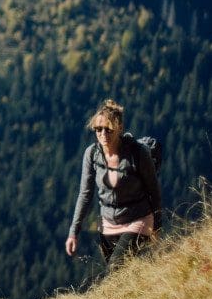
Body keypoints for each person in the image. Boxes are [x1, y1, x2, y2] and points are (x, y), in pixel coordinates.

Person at [66, 99, 162, 268]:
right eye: (98, 129)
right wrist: (74, 232)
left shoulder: (138, 153)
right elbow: (85, 194)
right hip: (108, 225)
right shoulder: (92, 154)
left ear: (120, 128)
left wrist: (157, 226)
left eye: (108, 129)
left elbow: (153, 190)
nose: (103, 134)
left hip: (138, 219)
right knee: (119, 276)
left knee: (115, 268)